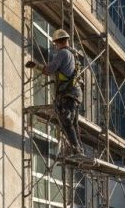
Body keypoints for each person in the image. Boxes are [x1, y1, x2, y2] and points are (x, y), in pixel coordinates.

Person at [26, 28, 84, 158]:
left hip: (68, 93)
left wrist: (36, 66)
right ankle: (79, 149)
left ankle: (76, 149)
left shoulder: (63, 53)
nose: (55, 47)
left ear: (58, 42)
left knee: (66, 121)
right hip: (75, 94)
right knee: (73, 123)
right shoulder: (73, 55)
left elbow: (49, 70)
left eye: (55, 44)